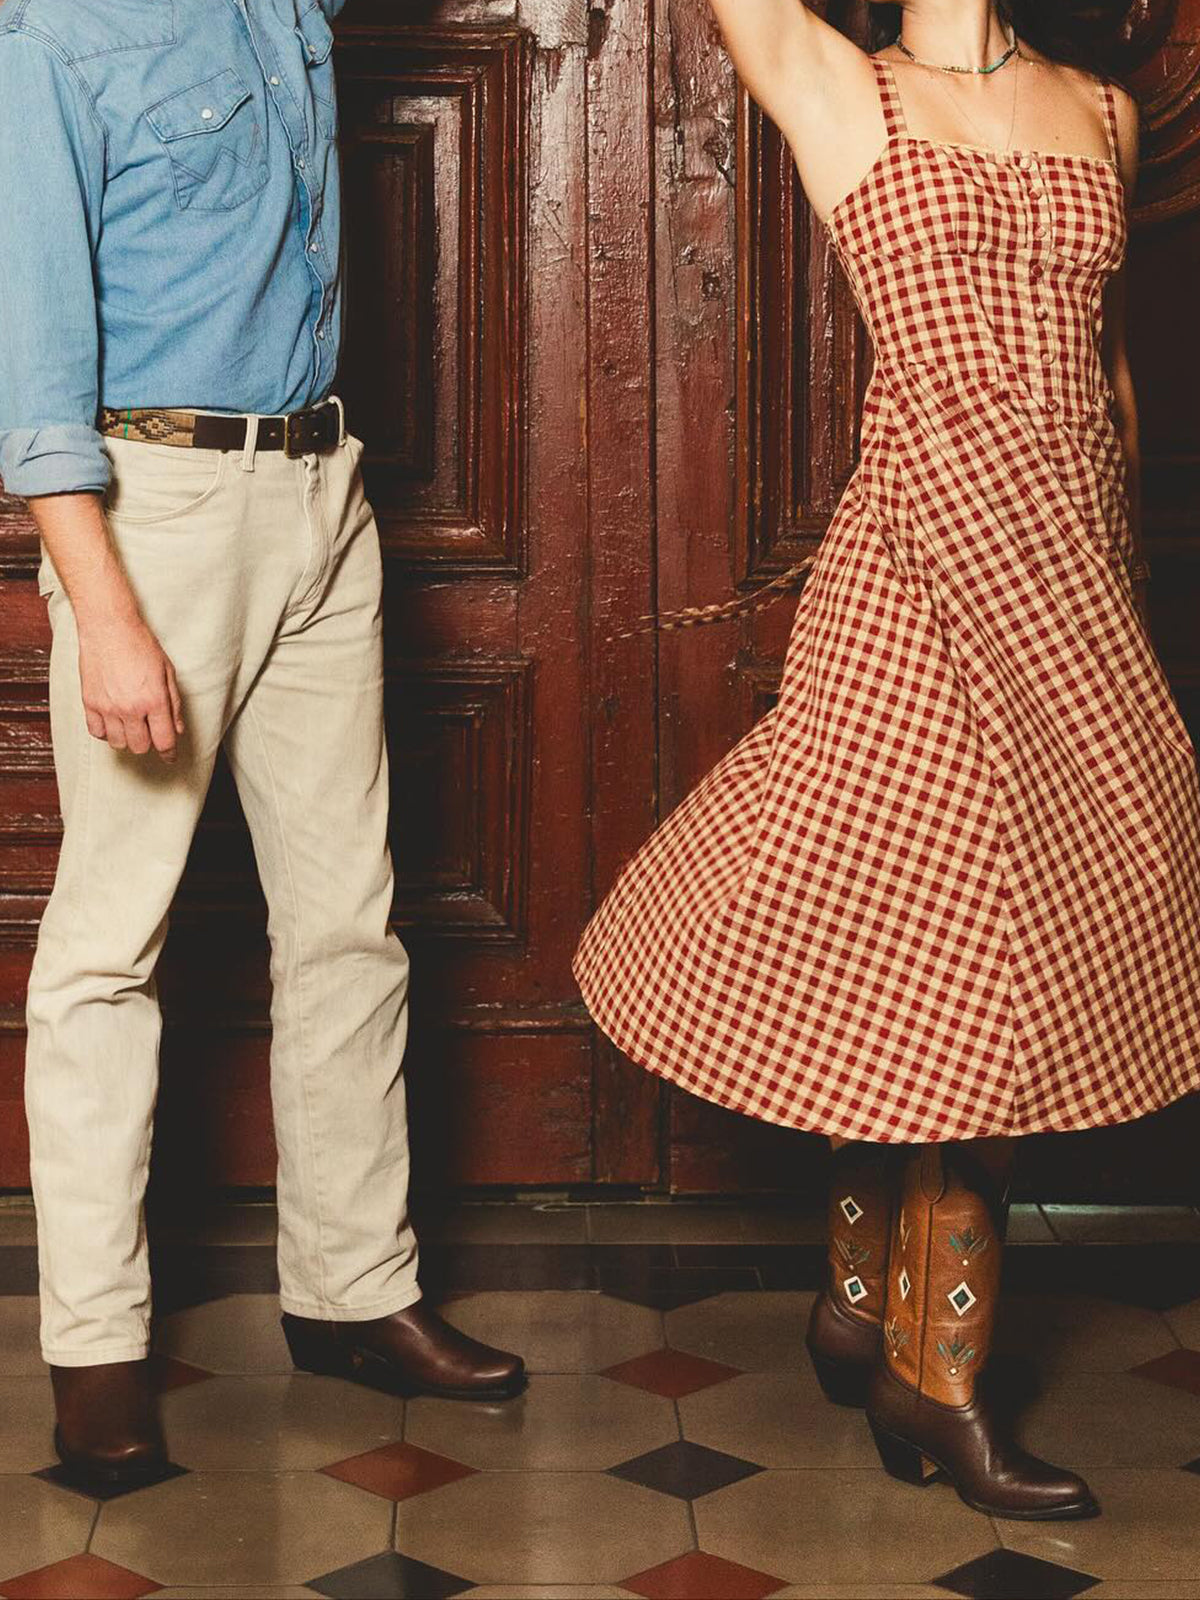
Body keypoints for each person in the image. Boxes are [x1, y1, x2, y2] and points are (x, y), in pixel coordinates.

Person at [574, 0, 1200, 1520]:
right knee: (960, 957)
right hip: (918, 574)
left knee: (999, 952)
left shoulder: (1105, 112)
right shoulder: (844, 88)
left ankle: (862, 1301)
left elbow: (1111, 376)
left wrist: (1115, 588)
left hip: (1071, 590)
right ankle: (941, 1378)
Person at [0, 0, 524, 1494]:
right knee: (108, 949)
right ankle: (96, 1352)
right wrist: (107, 613)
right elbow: (32, 366)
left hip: (321, 489)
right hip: (153, 511)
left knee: (350, 924)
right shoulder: (51, 34)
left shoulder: (287, 4)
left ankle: (355, 1291)